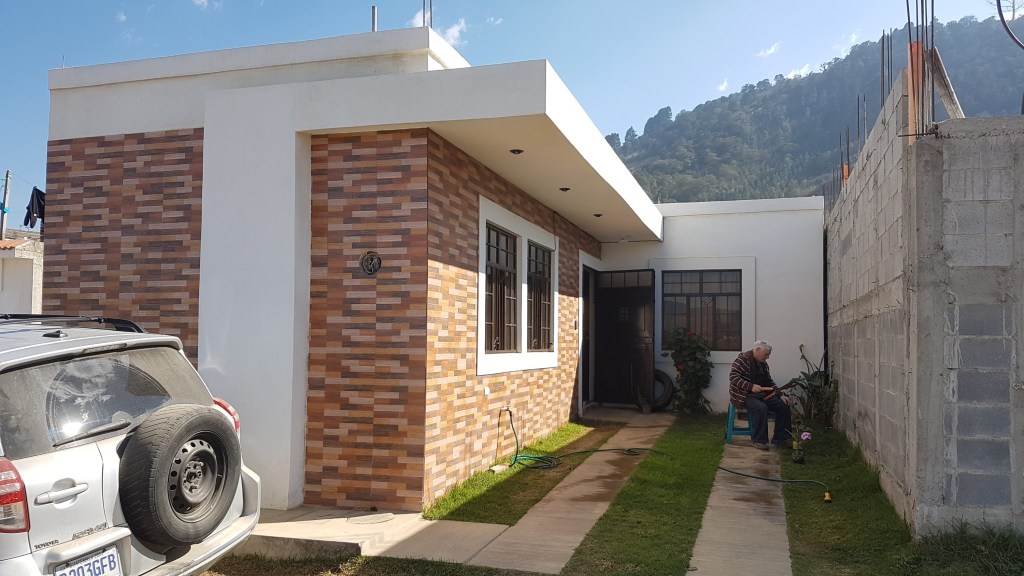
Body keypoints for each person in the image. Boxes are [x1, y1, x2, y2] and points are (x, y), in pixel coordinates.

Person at [729, 340, 792, 450]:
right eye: (766, 355)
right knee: (761, 407)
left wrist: (780, 395)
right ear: (757, 350)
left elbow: (769, 381)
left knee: (783, 405)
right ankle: (759, 440)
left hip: (760, 395)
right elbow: (733, 377)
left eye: (768, 355)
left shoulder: (763, 364)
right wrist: (751, 386)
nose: (767, 357)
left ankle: (780, 438)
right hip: (744, 395)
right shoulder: (742, 359)